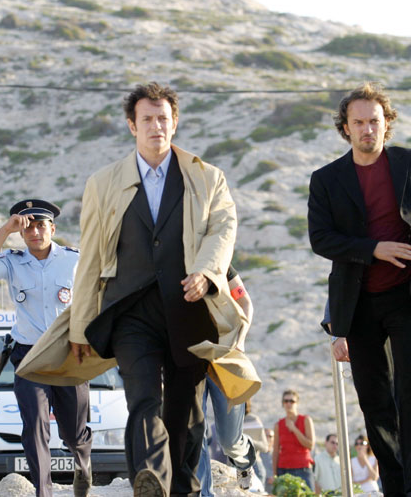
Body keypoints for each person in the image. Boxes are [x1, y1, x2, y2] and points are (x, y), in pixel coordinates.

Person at [61, 82, 243, 497]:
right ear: (132, 125)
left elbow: (223, 229)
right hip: (131, 312)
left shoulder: (208, 178)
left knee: (186, 413)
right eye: (147, 119)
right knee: (143, 398)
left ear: (175, 122)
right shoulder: (103, 184)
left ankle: (181, 488)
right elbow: (90, 257)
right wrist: (80, 326)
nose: (156, 126)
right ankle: (150, 480)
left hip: (189, 308)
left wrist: (206, 272)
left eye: (163, 118)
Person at [307, 82, 411, 497]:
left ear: (386, 123)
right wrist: (374, 249)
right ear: (345, 127)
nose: (367, 129)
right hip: (357, 304)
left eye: (374, 121)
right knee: (376, 403)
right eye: (358, 122)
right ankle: (397, 488)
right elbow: (321, 239)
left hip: (408, 297)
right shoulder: (326, 179)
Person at [0, 199, 92, 497]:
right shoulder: (12, 261)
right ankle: (43, 491)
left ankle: (83, 464)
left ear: (53, 228)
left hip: (68, 354)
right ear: (22, 233)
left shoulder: (74, 260)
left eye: (41, 226)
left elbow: (97, 295)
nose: (35, 232)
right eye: (28, 228)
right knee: (35, 424)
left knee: (73, 430)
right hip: (29, 354)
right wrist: (5, 230)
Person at [196, 266, 258, 495]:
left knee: (229, 440)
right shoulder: (174, 261)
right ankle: (204, 493)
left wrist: (240, 341)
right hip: (192, 359)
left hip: (224, 357)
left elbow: (245, 303)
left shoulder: (221, 265)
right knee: (196, 431)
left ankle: (244, 460)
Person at [269, 390, 315, 491]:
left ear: (297, 403)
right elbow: (275, 451)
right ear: (283, 403)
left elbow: (310, 445)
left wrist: (294, 429)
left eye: (292, 401)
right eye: (286, 401)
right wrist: (275, 474)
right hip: (283, 470)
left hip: (303, 469)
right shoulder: (278, 425)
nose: (288, 404)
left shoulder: (306, 420)